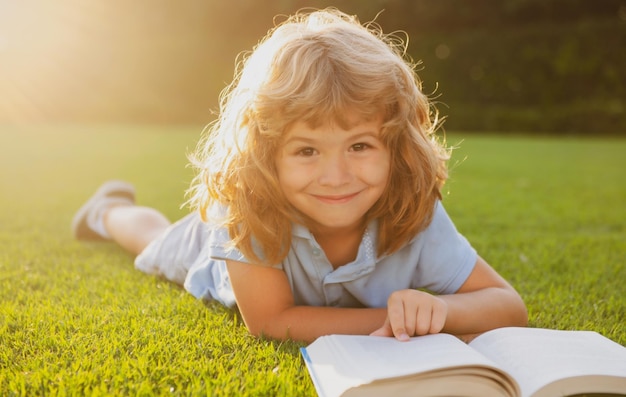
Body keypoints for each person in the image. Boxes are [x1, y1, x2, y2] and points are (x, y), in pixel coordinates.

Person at [72, 8, 527, 343]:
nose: (336, 176)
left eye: (360, 146)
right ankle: (109, 210)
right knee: (155, 239)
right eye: (306, 150)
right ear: (266, 154)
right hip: (214, 258)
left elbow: (509, 306)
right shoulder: (248, 207)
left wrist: (442, 310)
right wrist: (395, 322)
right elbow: (272, 321)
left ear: (398, 147)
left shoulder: (414, 214)